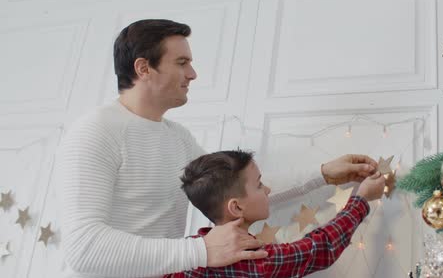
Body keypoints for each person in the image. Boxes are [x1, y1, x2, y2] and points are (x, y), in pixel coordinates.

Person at [56, 19, 379, 278]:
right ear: (144, 69)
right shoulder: (95, 132)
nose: (192, 74)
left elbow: (233, 192)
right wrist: (201, 251)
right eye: (182, 62)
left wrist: (322, 175)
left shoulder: (178, 138)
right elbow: (83, 246)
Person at [164, 149, 385, 277]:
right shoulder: (252, 260)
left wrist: (323, 174)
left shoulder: (185, 253)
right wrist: (361, 199)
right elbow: (320, 248)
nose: (268, 190)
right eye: (260, 185)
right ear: (236, 207)